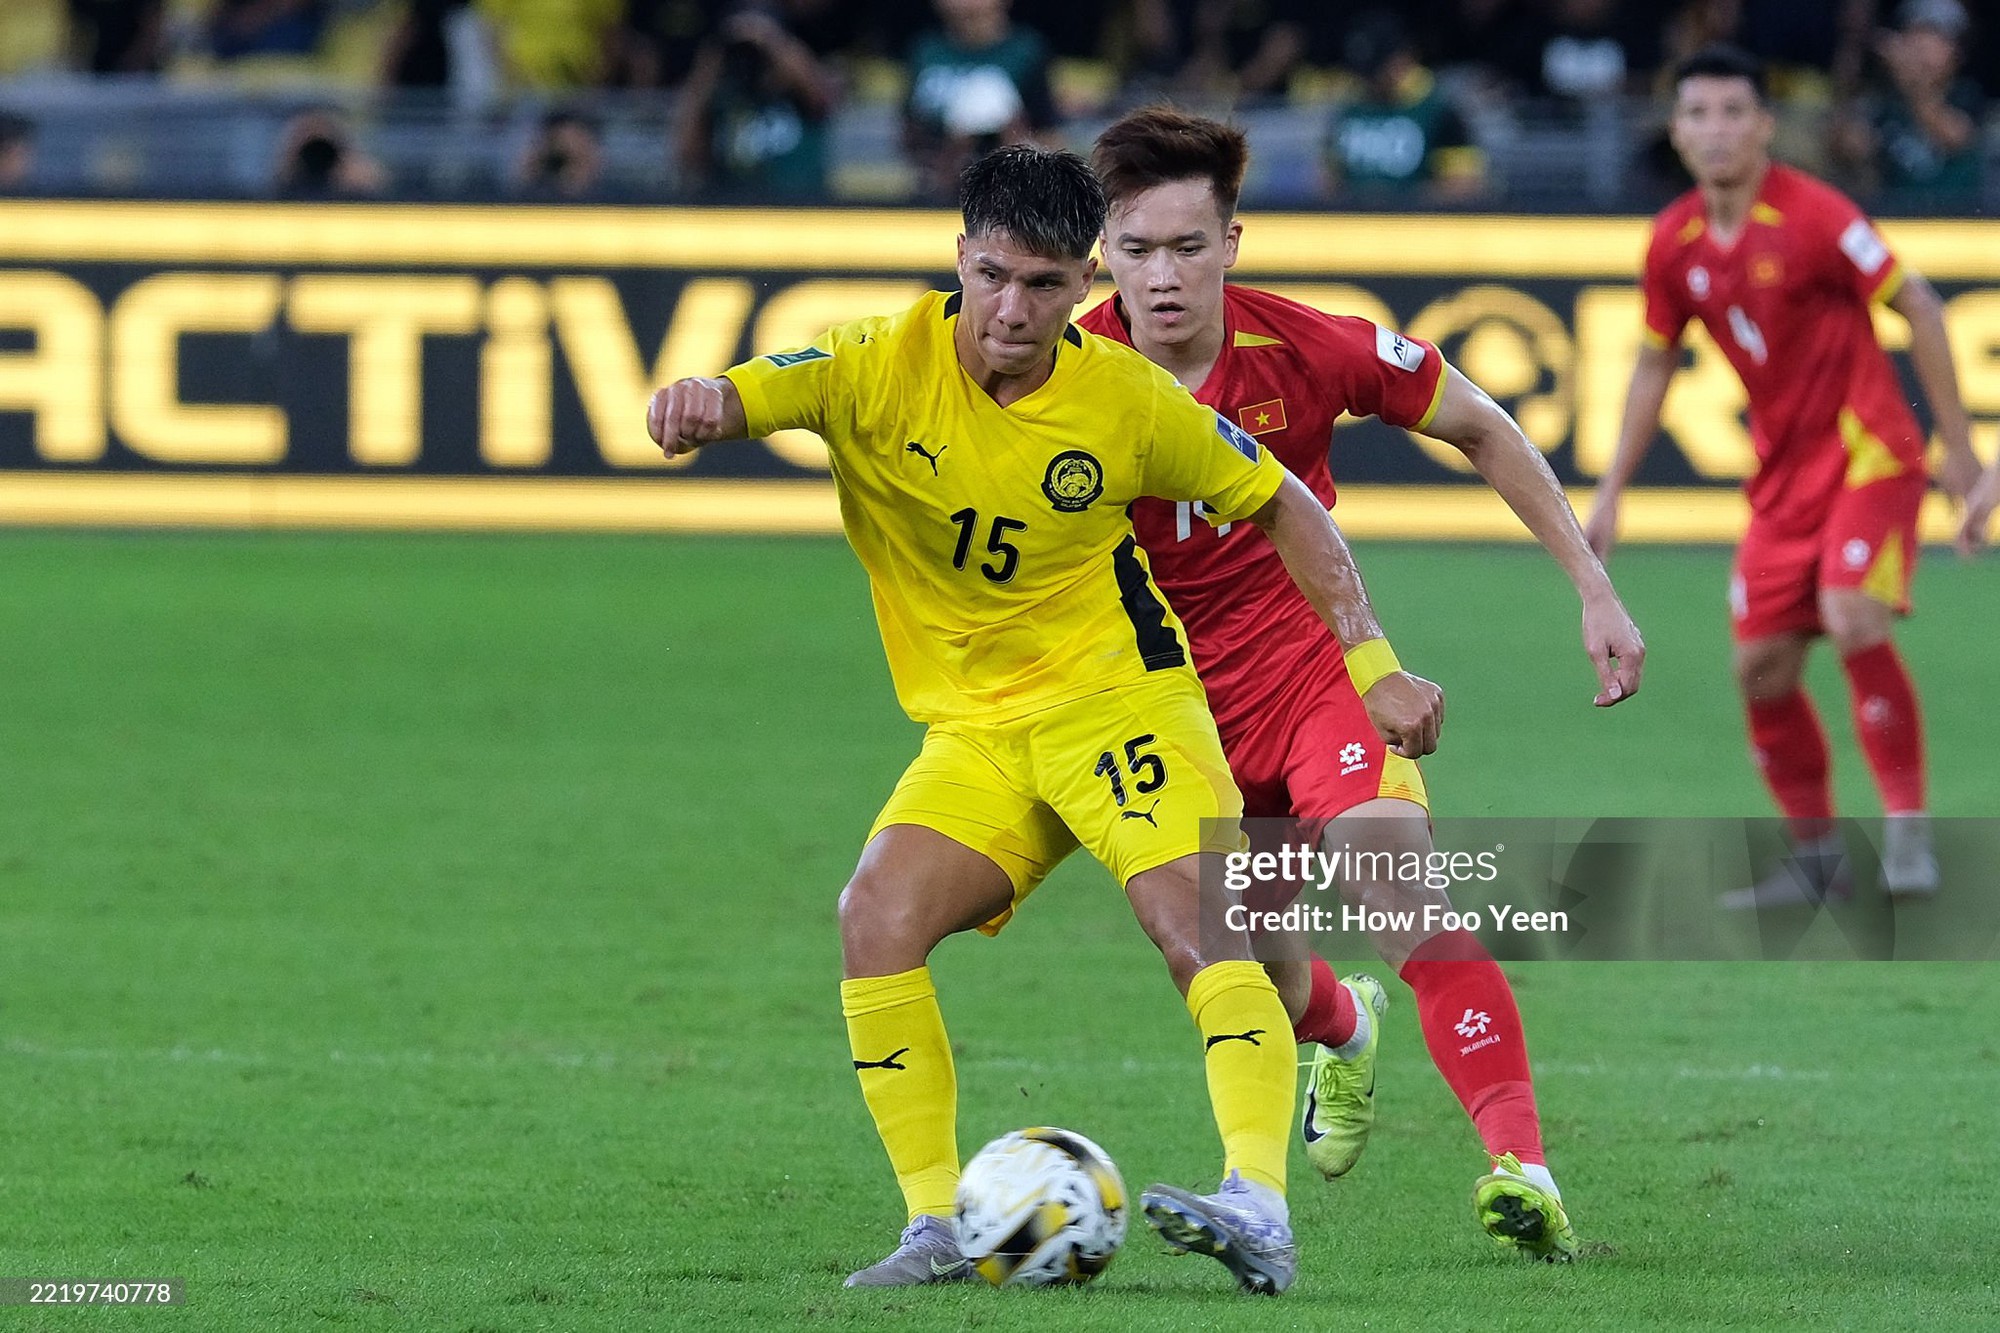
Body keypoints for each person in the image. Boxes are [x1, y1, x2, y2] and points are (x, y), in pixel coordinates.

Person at [645, 144, 1446, 1294]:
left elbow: (1287, 507)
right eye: (990, 276)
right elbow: (745, 393)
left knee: (1201, 935)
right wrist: (695, 405)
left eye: (1043, 285)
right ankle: (933, 1221)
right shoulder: (873, 361)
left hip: (1122, 705)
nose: (1010, 309)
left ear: (1084, 288)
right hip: (975, 728)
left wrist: (1370, 659)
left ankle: (1258, 1207)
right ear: (957, 260)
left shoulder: (1127, 400)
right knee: (873, 915)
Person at [1082, 106, 1644, 1261]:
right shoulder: (1070, 375)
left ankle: (1520, 1168)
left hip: (1317, 676)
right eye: (1136, 250)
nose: (1163, 276)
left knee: (1400, 897)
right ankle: (1343, 1032)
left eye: (1187, 247)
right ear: (1103, 253)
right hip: (1172, 712)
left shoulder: (1310, 347)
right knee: (1252, 978)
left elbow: (1482, 428)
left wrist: (1591, 587)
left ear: (1231, 243)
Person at [1586, 45, 1983, 905]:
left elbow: (1918, 302)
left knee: (1851, 613)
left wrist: (1962, 454)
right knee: (1759, 665)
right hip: (1782, 478)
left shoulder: (1817, 215)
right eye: (1698, 114)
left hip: (1869, 453)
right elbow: (1655, 362)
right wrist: (1612, 487)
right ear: (1678, 131)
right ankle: (1815, 862)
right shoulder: (1675, 241)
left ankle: (1909, 837)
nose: (1717, 130)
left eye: (1735, 112)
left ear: (1766, 125)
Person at [1832, 0, 1985, 210]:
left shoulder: (1966, 94)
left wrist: (1910, 79)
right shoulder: (1883, 99)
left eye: (1936, 38)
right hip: (1895, 217)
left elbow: (1954, 136)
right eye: (1915, 35)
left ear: (1955, 52)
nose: (1922, 48)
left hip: (1958, 219)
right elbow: (1847, 146)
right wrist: (1854, 54)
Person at [1324, 12, 1488, 206]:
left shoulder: (1439, 110)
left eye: (1377, 70)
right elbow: (1327, 178)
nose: (1369, 80)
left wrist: (1401, 201)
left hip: (1419, 227)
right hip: (1354, 228)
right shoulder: (1351, 109)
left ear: (1401, 58)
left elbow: (1466, 185)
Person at [902, 0, 1057, 201]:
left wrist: (1014, 144)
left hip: (1009, 192)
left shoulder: (1027, 51)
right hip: (933, 189)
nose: (968, 5)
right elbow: (907, 130)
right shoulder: (924, 49)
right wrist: (952, 151)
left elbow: (1051, 134)